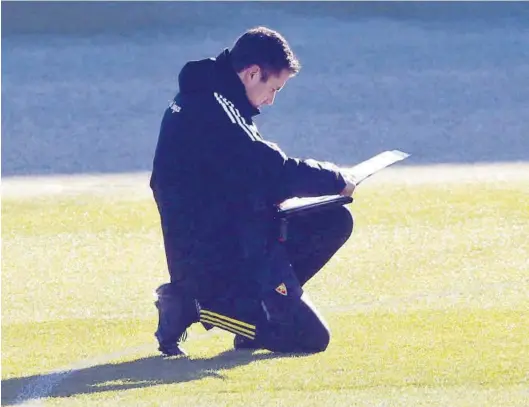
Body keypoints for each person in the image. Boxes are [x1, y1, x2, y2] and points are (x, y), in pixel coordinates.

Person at [149, 26, 357, 357]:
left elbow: (245, 172)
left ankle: (256, 306)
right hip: (217, 252)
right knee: (308, 338)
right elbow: (273, 169)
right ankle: (192, 304)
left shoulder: (211, 96)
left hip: (238, 228)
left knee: (333, 220)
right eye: (273, 88)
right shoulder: (215, 109)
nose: (271, 100)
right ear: (252, 73)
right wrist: (335, 178)